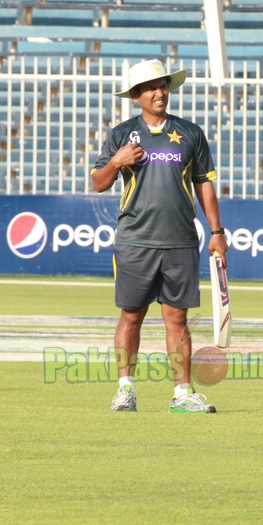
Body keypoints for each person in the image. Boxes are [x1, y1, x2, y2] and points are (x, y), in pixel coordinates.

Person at [91, 59, 228, 413]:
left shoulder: (190, 133)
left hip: (181, 240)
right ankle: (125, 391)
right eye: (151, 87)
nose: (159, 92)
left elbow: (204, 185)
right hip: (135, 239)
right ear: (136, 95)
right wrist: (116, 162)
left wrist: (216, 232)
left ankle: (182, 395)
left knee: (177, 319)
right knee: (131, 316)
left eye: (163, 85)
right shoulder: (122, 134)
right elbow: (98, 182)